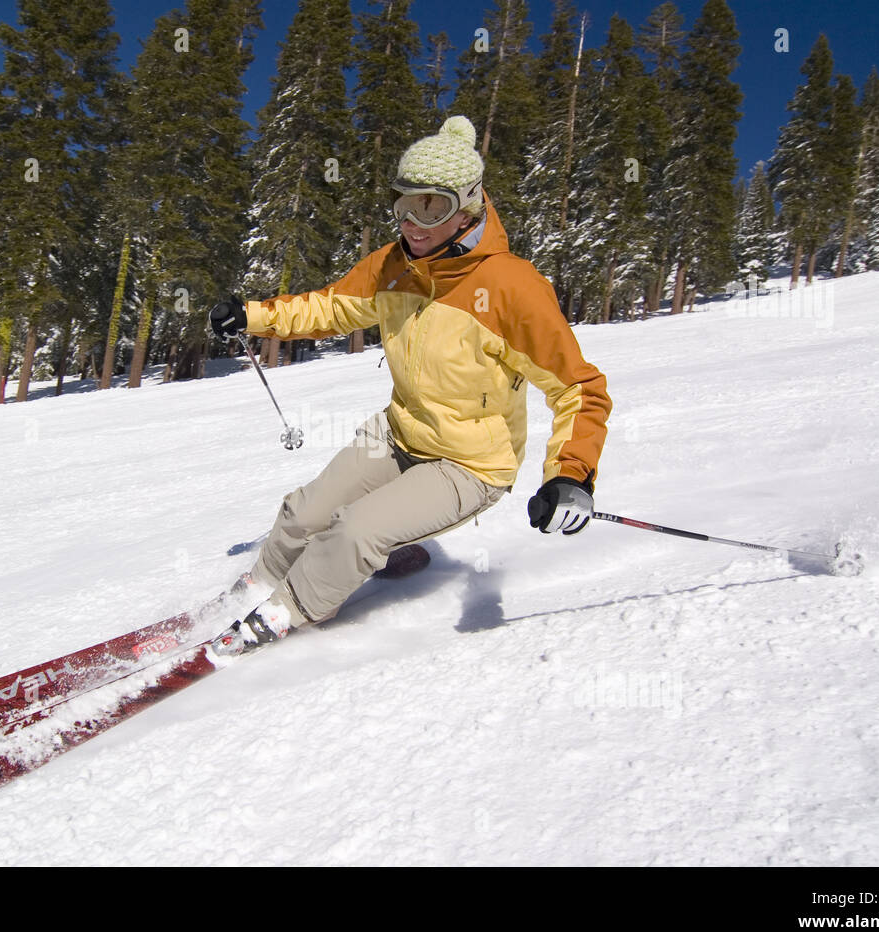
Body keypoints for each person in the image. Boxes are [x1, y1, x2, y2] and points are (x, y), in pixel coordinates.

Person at [210, 116, 612, 647]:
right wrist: (253, 316)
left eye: (432, 206)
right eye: (403, 205)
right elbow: (332, 307)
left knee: (356, 530)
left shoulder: (512, 286)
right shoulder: (394, 265)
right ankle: (257, 588)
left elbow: (577, 389)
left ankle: (284, 614)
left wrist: (570, 476)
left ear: (467, 204)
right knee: (303, 512)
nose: (412, 225)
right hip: (400, 433)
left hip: (469, 464)